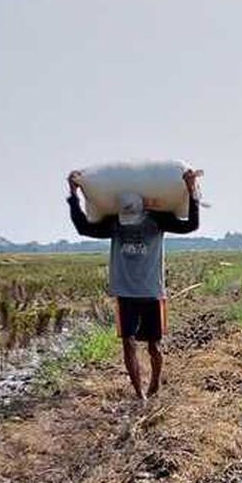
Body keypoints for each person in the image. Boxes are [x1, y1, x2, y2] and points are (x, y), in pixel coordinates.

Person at [67, 168, 201, 401]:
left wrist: (191, 190)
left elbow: (191, 225)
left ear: (143, 208)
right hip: (125, 294)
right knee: (128, 344)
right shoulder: (114, 223)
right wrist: (73, 195)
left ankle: (156, 381)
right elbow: (83, 227)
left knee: (154, 347)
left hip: (152, 293)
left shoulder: (158, 220)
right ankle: (139, 393)